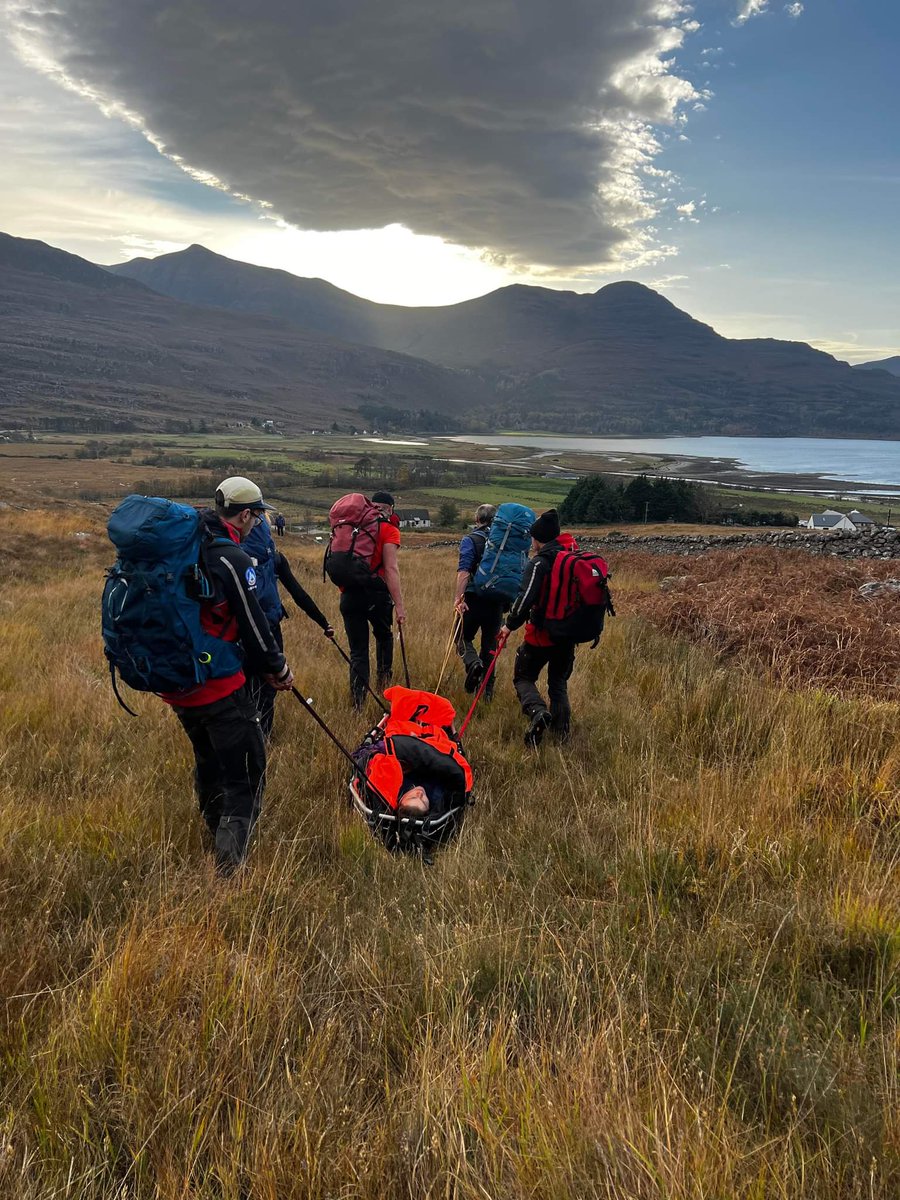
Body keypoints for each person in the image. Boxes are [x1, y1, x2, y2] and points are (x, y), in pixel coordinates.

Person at [161, 476, 294, 875]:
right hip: (218, 684)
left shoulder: (190, 545)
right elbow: (254, 625)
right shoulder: (231, 558)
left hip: (179, 683)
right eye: (257, 516)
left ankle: (213, 835)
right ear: (246, 515)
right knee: (246, 772)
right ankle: (228, 870)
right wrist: (278, 668)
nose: (258, 523)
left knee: (209, 761)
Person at [243, 515, 334, 739]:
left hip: (239, 634)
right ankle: (263, 739)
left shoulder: (232, 556)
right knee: (267, 690)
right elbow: (298, 593)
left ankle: (246, 740)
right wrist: (323, 622)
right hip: (270, 631)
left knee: (244, 689)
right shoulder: (274, 558)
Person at [499, 508, 576, 748]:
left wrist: (508, 625)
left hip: (541, 635)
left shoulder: (538, 564)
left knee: (523, 677)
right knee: (558, 683)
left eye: (533, 538)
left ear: (537, 539)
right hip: (568, 635)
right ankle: (561, 736)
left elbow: (525, 599)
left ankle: (538, 712)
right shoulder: (571, 558)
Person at [339, 490, 406, 709]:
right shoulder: (388, 529)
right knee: (384, 638)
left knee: (358, 652)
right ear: (391, 509)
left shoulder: (354, 527)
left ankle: (358, 703)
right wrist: (399, 606)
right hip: (377, 595)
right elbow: (391, 569)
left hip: (349, 595)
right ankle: (383, 688)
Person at [453, 503, 502, 697]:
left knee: (460, 637)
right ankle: (486, 693)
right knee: (490, 647)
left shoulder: (470, 540)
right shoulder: (504, 542)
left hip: (474, 598)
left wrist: (458, 598)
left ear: (477, 519)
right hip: (497, 601)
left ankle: (473, 664)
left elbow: (464, 571)